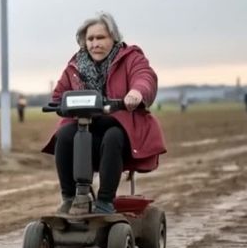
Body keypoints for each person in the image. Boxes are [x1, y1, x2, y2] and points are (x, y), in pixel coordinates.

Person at [41, 12, 167, 214]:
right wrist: (58, 103)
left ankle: (105, 201)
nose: (94, 44)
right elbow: (59, 94)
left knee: (113, 135)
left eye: (101, 38)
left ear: (113, 38)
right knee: (64, 135)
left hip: (122, 129)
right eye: (90, 39)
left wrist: (136, 92)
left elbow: (145, 77)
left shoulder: (130, 58)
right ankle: (71, 198)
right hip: (86, 127)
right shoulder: (75, 65)